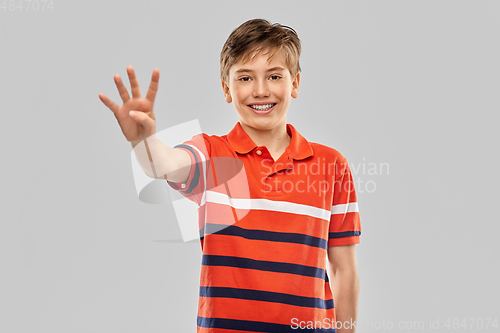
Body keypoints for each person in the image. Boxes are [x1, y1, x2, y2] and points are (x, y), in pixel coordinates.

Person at [99, 18, 361, 333]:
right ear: (227, 88)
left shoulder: (331, 165)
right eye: (245, 78)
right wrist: (143, 141)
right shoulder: (211, 155)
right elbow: (163, 164)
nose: (261, 90)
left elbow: (344, 269)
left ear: (295, 83)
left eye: (274, 75)